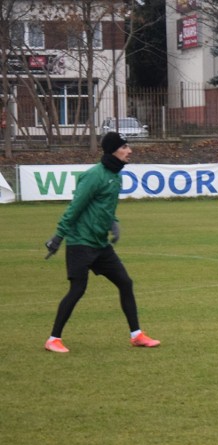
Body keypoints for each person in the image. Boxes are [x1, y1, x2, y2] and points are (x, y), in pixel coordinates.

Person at [43, 132, 160, 353]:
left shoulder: (116, 176)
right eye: (125, 147)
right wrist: (58, 236)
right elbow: (75, 207)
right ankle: (53, 339)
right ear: (114, 150)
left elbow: (105, 207)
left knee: (125, 283)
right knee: (77, 289)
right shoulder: (94, 176)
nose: (130, 151)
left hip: (99, 244)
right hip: (80, 243)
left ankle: (136, 335)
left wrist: (112, 222)